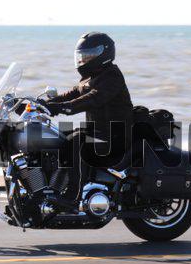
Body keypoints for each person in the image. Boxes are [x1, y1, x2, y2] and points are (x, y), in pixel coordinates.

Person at [43, 32, 133, 203]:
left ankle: (73, 196)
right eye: (82, 55)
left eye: (89, 55)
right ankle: (53, 188)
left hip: (115, 138)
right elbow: (71, 95)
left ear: (104, 53)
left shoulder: (112, 76)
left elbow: (93, 98)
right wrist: (42, 104)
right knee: (61, 138)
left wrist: (62, 108)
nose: (83, 59)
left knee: (76, 141)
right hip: (99, 133)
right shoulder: (91, 77)